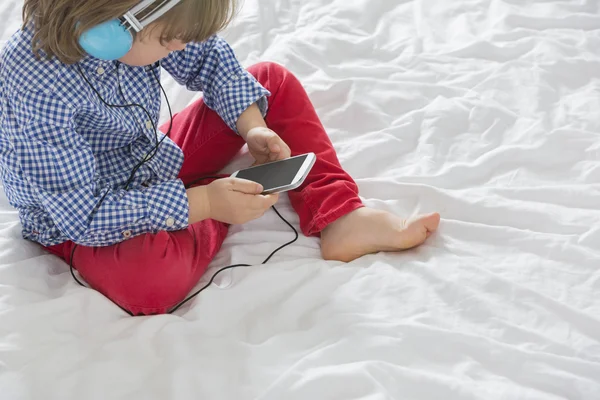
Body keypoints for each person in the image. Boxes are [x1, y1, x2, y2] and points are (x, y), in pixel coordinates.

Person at [0, 0, 440, 315]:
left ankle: (340, 215)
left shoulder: (145, 20)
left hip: (148, 159)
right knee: (149, 284)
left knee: (271, 82)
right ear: (112, 27)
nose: (178, 49)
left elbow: (209, 58)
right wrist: (208, 204)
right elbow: (84, 215)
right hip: (78, 218)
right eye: (170, 41)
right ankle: (224, 201)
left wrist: (254, 126)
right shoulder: (34, 85)